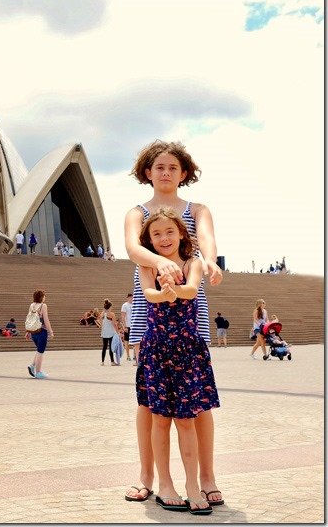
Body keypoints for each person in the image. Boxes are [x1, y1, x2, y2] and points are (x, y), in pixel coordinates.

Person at [123, 140, 224, 507]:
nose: (165, 173)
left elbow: (207, 243)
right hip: (150, 309)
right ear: (147, 172)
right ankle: (147, 476)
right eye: (158, 167)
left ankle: (207, 477)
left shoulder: (197, 209)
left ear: (184, 173)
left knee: (197, 402)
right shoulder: (137, 212)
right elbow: (134, 248)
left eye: (172, 167)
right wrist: (159, 262)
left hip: (188, 306)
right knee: (150, 400)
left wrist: (210, 262)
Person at [135, 207, 219, 515]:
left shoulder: (192, 262)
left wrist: (174, 290)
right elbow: (147, 293)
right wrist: (164, 293)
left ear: (182, 233)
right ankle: (165, 484)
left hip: (187, 351)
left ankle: (193, 485)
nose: (163, 238)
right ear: (149, 239)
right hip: (157, 350)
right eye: (156, 234)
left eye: (169, 231)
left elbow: (193, 289)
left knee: (187, 419)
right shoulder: (147, 265)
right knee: (159, 419)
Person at [25, 289, 54, 379]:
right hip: (41, 331)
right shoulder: (43, 306)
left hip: (33, 331)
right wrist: (51, 331)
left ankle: (32, 366)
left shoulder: (32, 305)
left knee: (38, 350)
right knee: (41, 351)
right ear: (41, 297)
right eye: (44, 296)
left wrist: (28, 331)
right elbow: (46, 320)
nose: (45, 297)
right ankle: (38, 372)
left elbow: (30, 319)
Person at [97, 299, 119, 366]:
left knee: (104, 347)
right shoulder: (112, 314)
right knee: (111, 347)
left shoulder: (102, 313)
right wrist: (117, 332)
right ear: (109, 307)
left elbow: (100, 322)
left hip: (104, 332)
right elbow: (114, 324)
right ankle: (112, 362)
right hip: (111, 332)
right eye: (111, 307)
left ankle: (102, 362)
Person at [121, 293, 133, 361]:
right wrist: (124, 326)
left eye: (132, 297)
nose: (131, 299)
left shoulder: (135, 304)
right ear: (127, 298)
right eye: (130, 297)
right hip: (128, 325)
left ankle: (135, 355)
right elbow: (123, 316)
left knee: (136, 340)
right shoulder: (125, 305)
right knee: (127, 341)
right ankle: (128, 355)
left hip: (134, 325)